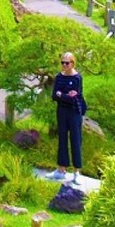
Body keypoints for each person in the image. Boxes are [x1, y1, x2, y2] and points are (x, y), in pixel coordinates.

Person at [47, 52, 85, 181]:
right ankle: (61, 169)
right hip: (61, 111)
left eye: (67, 63)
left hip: (74, 112)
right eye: (62, 62)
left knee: (75, 140)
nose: (64, 65)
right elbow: (54, 96)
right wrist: (65, 96)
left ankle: (76, 172)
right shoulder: (59, 77)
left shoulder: (77, 78)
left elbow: (75, 98)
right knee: (62, 139)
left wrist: (61, 95)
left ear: (72, 63)